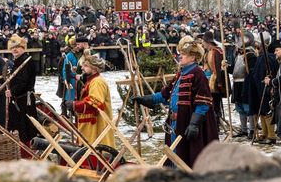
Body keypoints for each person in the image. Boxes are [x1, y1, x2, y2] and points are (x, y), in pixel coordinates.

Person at [134, 38, 218, 168]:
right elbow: (165, 94)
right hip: (175, 123)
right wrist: (145, 99)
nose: (180, 56)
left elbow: (203, 101)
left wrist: (194, 124)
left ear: (193, 57)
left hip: (187, 123)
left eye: (183, 54)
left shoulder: (198, 74)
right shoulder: (181, 73)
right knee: (174, 154)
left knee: (186, 156)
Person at [64, 53, 116, 167]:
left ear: (94, 68)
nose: (82, 68)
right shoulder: (91, 80)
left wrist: (74, 105)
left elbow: (95, 102)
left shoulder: (97, 82)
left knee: (96, 148)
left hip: (97, 125)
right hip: (89, 124)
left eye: (85, 65)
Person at [6, 35, 38, 150]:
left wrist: (12, 92)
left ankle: (28, 151)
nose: (15, 49)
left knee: (25, 126)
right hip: (17, 99)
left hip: (24, 99)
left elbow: (23, 81)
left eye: (18, 47)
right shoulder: (17, 62)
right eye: (13, 47)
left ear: (23, 48)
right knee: (18, 126)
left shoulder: (26, 61)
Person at [201, 31, 226, 127]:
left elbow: (218, 69)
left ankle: (216, 125)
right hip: (208, 81)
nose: (202, 43)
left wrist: (219, 83)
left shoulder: (217, 52)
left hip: (214, 83)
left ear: (208, 42)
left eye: (203, 41)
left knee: (215, 105)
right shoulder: (208, 52)